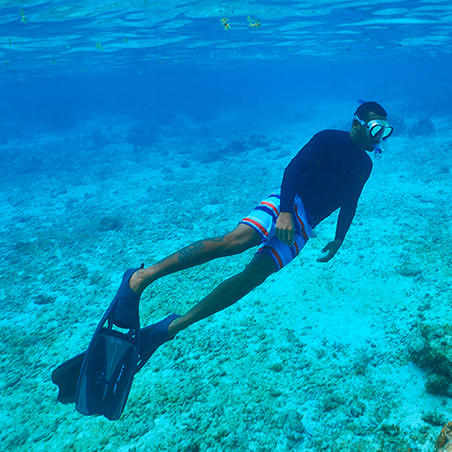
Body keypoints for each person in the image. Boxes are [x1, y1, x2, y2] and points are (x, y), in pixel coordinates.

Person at [114, 101, 394, 362]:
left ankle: (169, 328)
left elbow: (351, 201)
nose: (379, 137)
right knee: (235, 242)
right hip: (288, 202)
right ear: (356, 124)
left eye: (385, 130)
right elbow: (293, 169)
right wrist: (285, 212)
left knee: (253, 277)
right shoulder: (328, 139)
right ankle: (140, 277)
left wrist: (339, 239)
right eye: (375, 129)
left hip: (306, 226)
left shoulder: (365, 165)